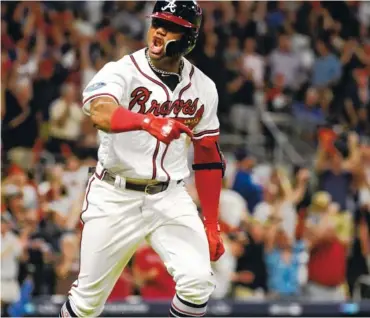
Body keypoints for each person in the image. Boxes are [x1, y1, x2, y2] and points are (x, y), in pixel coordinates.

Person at [59, 1, 225, 317]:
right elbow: (100, 111)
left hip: (170, 196)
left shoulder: (203, 87)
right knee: (87, 303)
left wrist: (212, 223)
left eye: (171, 25)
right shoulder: (121, 71)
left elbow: (207, 156)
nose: (160, 30)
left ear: (189, 37)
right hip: (115, 194)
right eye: (157, 22)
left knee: (199, 281)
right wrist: (146, 121)